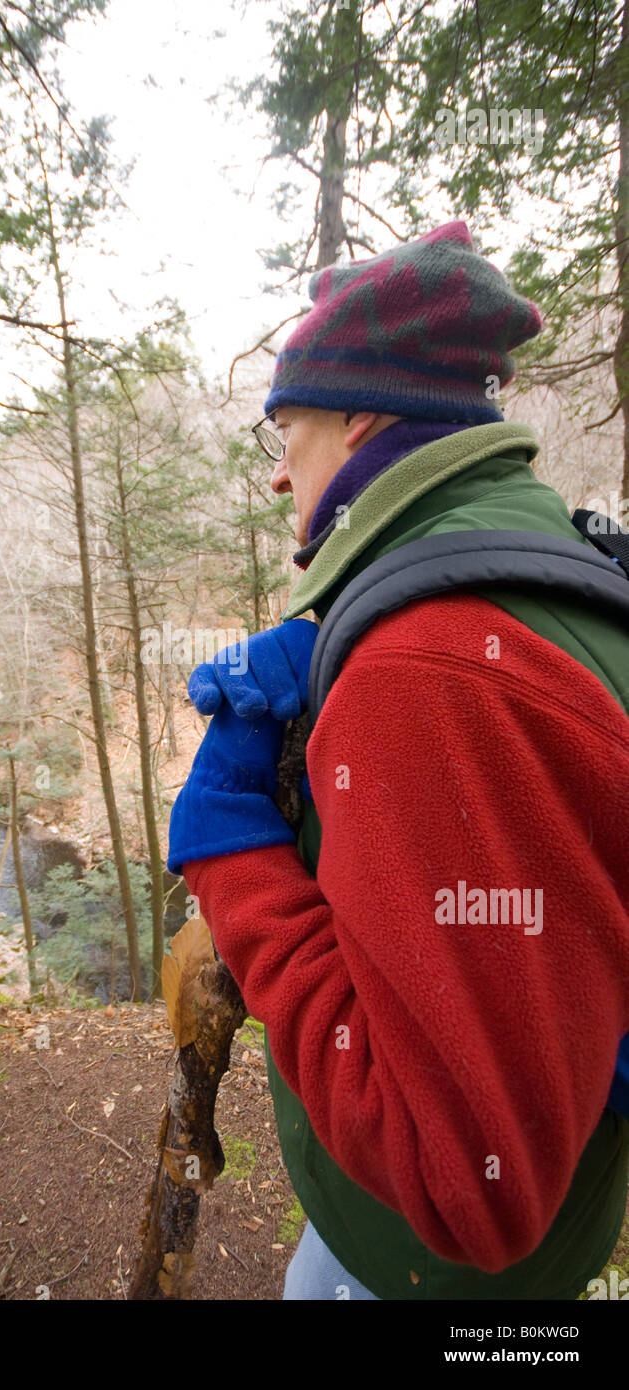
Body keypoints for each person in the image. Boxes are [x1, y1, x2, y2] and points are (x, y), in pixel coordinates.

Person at [166, 221, 629, 1300]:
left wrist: (233, 845)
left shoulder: (431, 675)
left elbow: (472, 1187)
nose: (282, 477)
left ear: (363, 419)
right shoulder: (548, 556)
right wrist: (337, 642)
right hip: (401, 1237)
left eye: (291, 432)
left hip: (442, 1274)